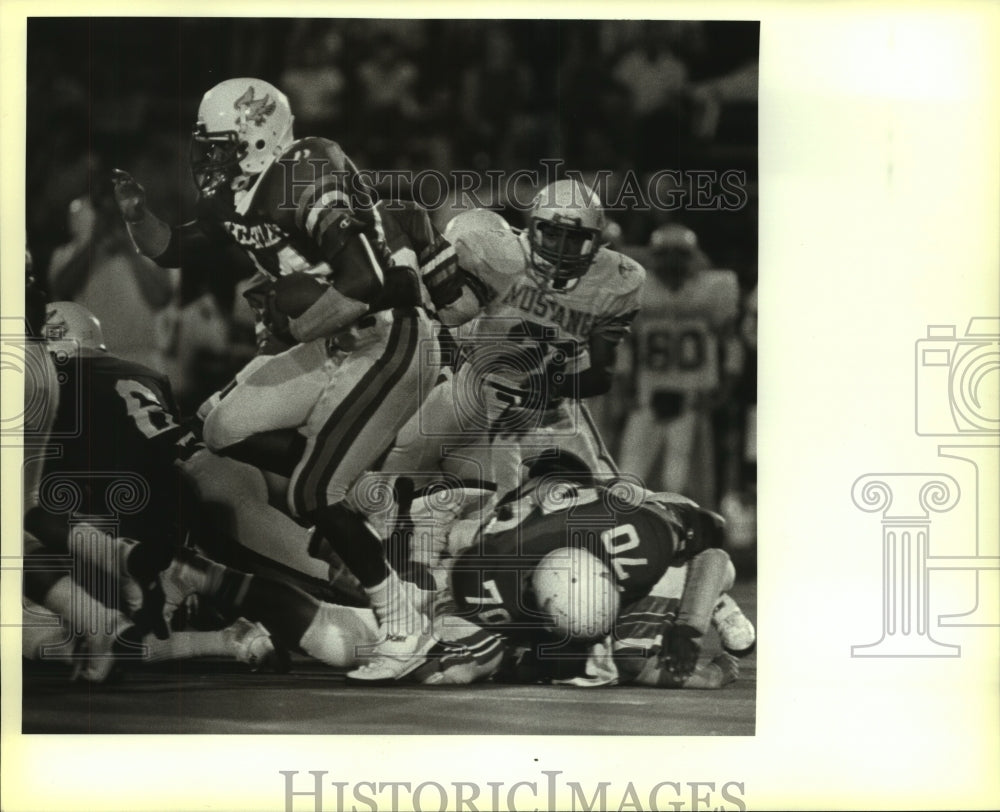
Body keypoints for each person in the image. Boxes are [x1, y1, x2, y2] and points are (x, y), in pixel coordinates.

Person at [110, 77, 467, 681]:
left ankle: (403, 624)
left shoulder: (304, 170)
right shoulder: (238, 196)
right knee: (220, 426)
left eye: (220, 146)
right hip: (332, 341)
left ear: (258, 136)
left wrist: (295, 321)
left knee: (313, 494)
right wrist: (138, 219)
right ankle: (347, 478)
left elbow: (368, 280)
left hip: (387, 334)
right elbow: (175, 248)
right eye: (207, 147)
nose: (209, 160)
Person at [380, 181, 644, 510]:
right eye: (552, 234)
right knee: (492, 505)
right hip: (482, 405)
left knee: (603, 502)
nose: (562, 248)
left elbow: (600, 376)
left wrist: (548, 385)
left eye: (575, 238)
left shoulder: (613, 282)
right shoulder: (493, 255)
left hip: (546, 410)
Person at [618, 223, 742, 507]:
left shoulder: (713, 289)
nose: (672, 262)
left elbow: (731, 344)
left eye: (679, 254)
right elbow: (625, 345)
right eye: (665, 254)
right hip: (649, 394)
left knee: (685, 484)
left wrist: (725, 389)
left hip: (694, 396)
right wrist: (624, 386)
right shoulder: (639, 290)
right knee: (629, 477)